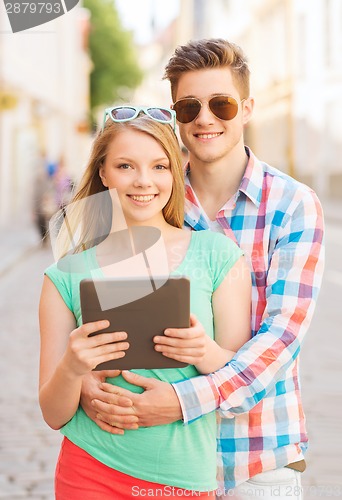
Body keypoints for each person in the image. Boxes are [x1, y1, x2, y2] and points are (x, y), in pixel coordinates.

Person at [79, 39, 325, 499]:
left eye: (222, 104)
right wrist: (87, 380)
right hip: (155, 458)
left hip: (257, 458)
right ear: (175, 116)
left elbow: (282, 336)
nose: (205, 119)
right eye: (189, 107)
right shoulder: (150, 193)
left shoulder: (293, 204)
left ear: (247, 108)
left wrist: (180, 401)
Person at [38, 106, 252, 499]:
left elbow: (241, 383)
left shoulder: (219, 256)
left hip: (182, 479)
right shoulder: (64, 276)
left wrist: (203, 351)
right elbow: (53, 415)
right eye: (125, 166)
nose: (143, 181)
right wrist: (71, 368)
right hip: (89, 471)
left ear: (176, 171)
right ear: (102, 171)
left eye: (159, 166)